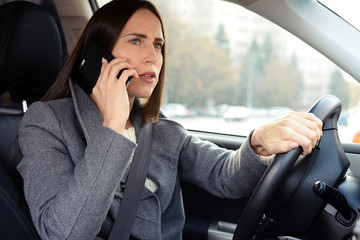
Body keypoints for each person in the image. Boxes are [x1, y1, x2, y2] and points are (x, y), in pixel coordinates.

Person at [17, 0, 323, 239]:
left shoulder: (159, 128)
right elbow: (64, 233)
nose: (153, 56)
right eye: (136, 41)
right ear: (100, 53)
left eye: (158, 44)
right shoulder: (45, 123)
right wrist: (112, 127)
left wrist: (258, 142)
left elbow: (223, 177)